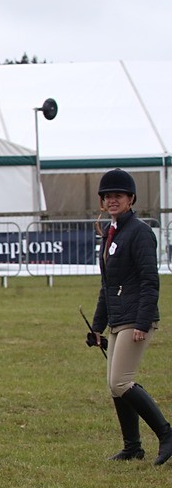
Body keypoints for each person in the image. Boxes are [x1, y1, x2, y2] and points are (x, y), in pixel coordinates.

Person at [90, 168, 172, 466]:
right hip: (118, 317)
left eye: (118, 196)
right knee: (115, 384)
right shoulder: (110, 233)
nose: (113, 200)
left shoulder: (139, 233)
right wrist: (97, 327)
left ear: (130, 199)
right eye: (108, 196)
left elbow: (151, 281)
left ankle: (166, 434)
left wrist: (142, 321)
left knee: (121, 381)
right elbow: (107, 285)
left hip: (136, 317)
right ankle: (133, 446)